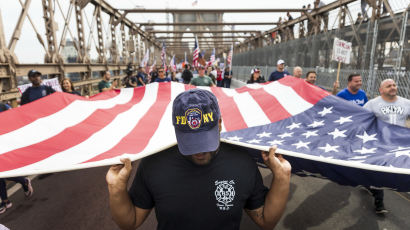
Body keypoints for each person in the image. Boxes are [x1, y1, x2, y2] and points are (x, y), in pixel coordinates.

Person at [106, 88, 291, 230]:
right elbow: (131, 222)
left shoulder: (242, 162)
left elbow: (266, 221)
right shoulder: (154, 165)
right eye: (190, 142)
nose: (199, 152)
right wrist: (116, 189)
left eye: (204, 141)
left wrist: (282, 178)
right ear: (176, 130)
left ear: (219, 123)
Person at [0, 104, 34, 215]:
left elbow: (14, 117)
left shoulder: (3, 106)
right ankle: (6, 199)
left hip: (4, 142)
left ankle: (5, 200)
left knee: (2, 172)